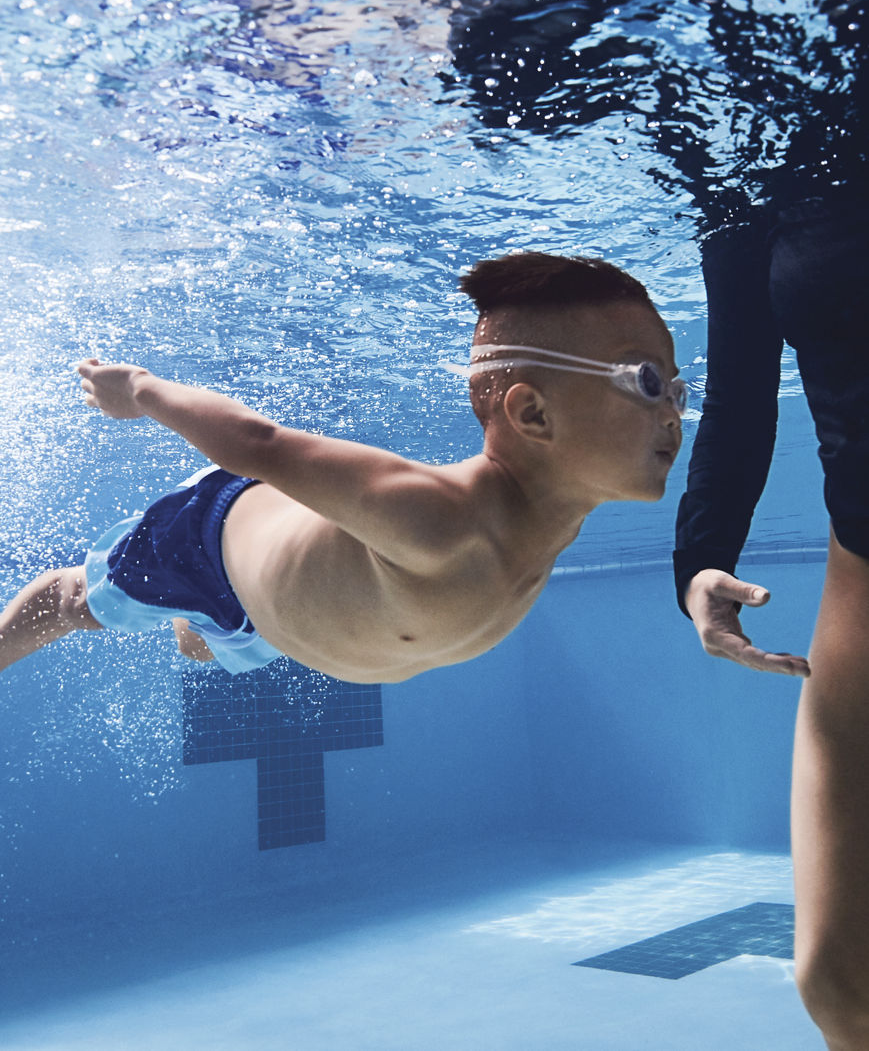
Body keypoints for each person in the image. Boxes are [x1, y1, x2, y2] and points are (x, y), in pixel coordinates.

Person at [0, 251, 683, 683]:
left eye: (679, 389)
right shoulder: (436, 517)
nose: (674, 411)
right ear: (532, 414)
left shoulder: (550, 517)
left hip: (279, 617)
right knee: (74, 605)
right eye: (647, 382)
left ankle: (205, 620)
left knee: (205, 642)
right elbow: (257, 444)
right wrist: (139, 390)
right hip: (212, 538)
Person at [673, 193, 869, 1051]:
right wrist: (700, 558)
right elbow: (740, 387)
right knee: (841, 985)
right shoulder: (745, 151)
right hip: (864, 557)